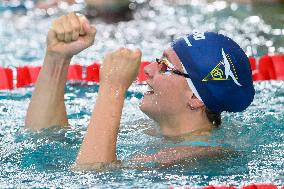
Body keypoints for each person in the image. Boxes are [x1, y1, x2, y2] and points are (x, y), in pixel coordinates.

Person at [25, 12, 255, 170]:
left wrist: (113, 88)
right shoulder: (147, 130)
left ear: (196, 97)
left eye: (165, 65)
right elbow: (45, 138)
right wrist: (57, 59)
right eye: (158, 59)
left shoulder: (193, 154)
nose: (148, 69)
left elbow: (90, 177)